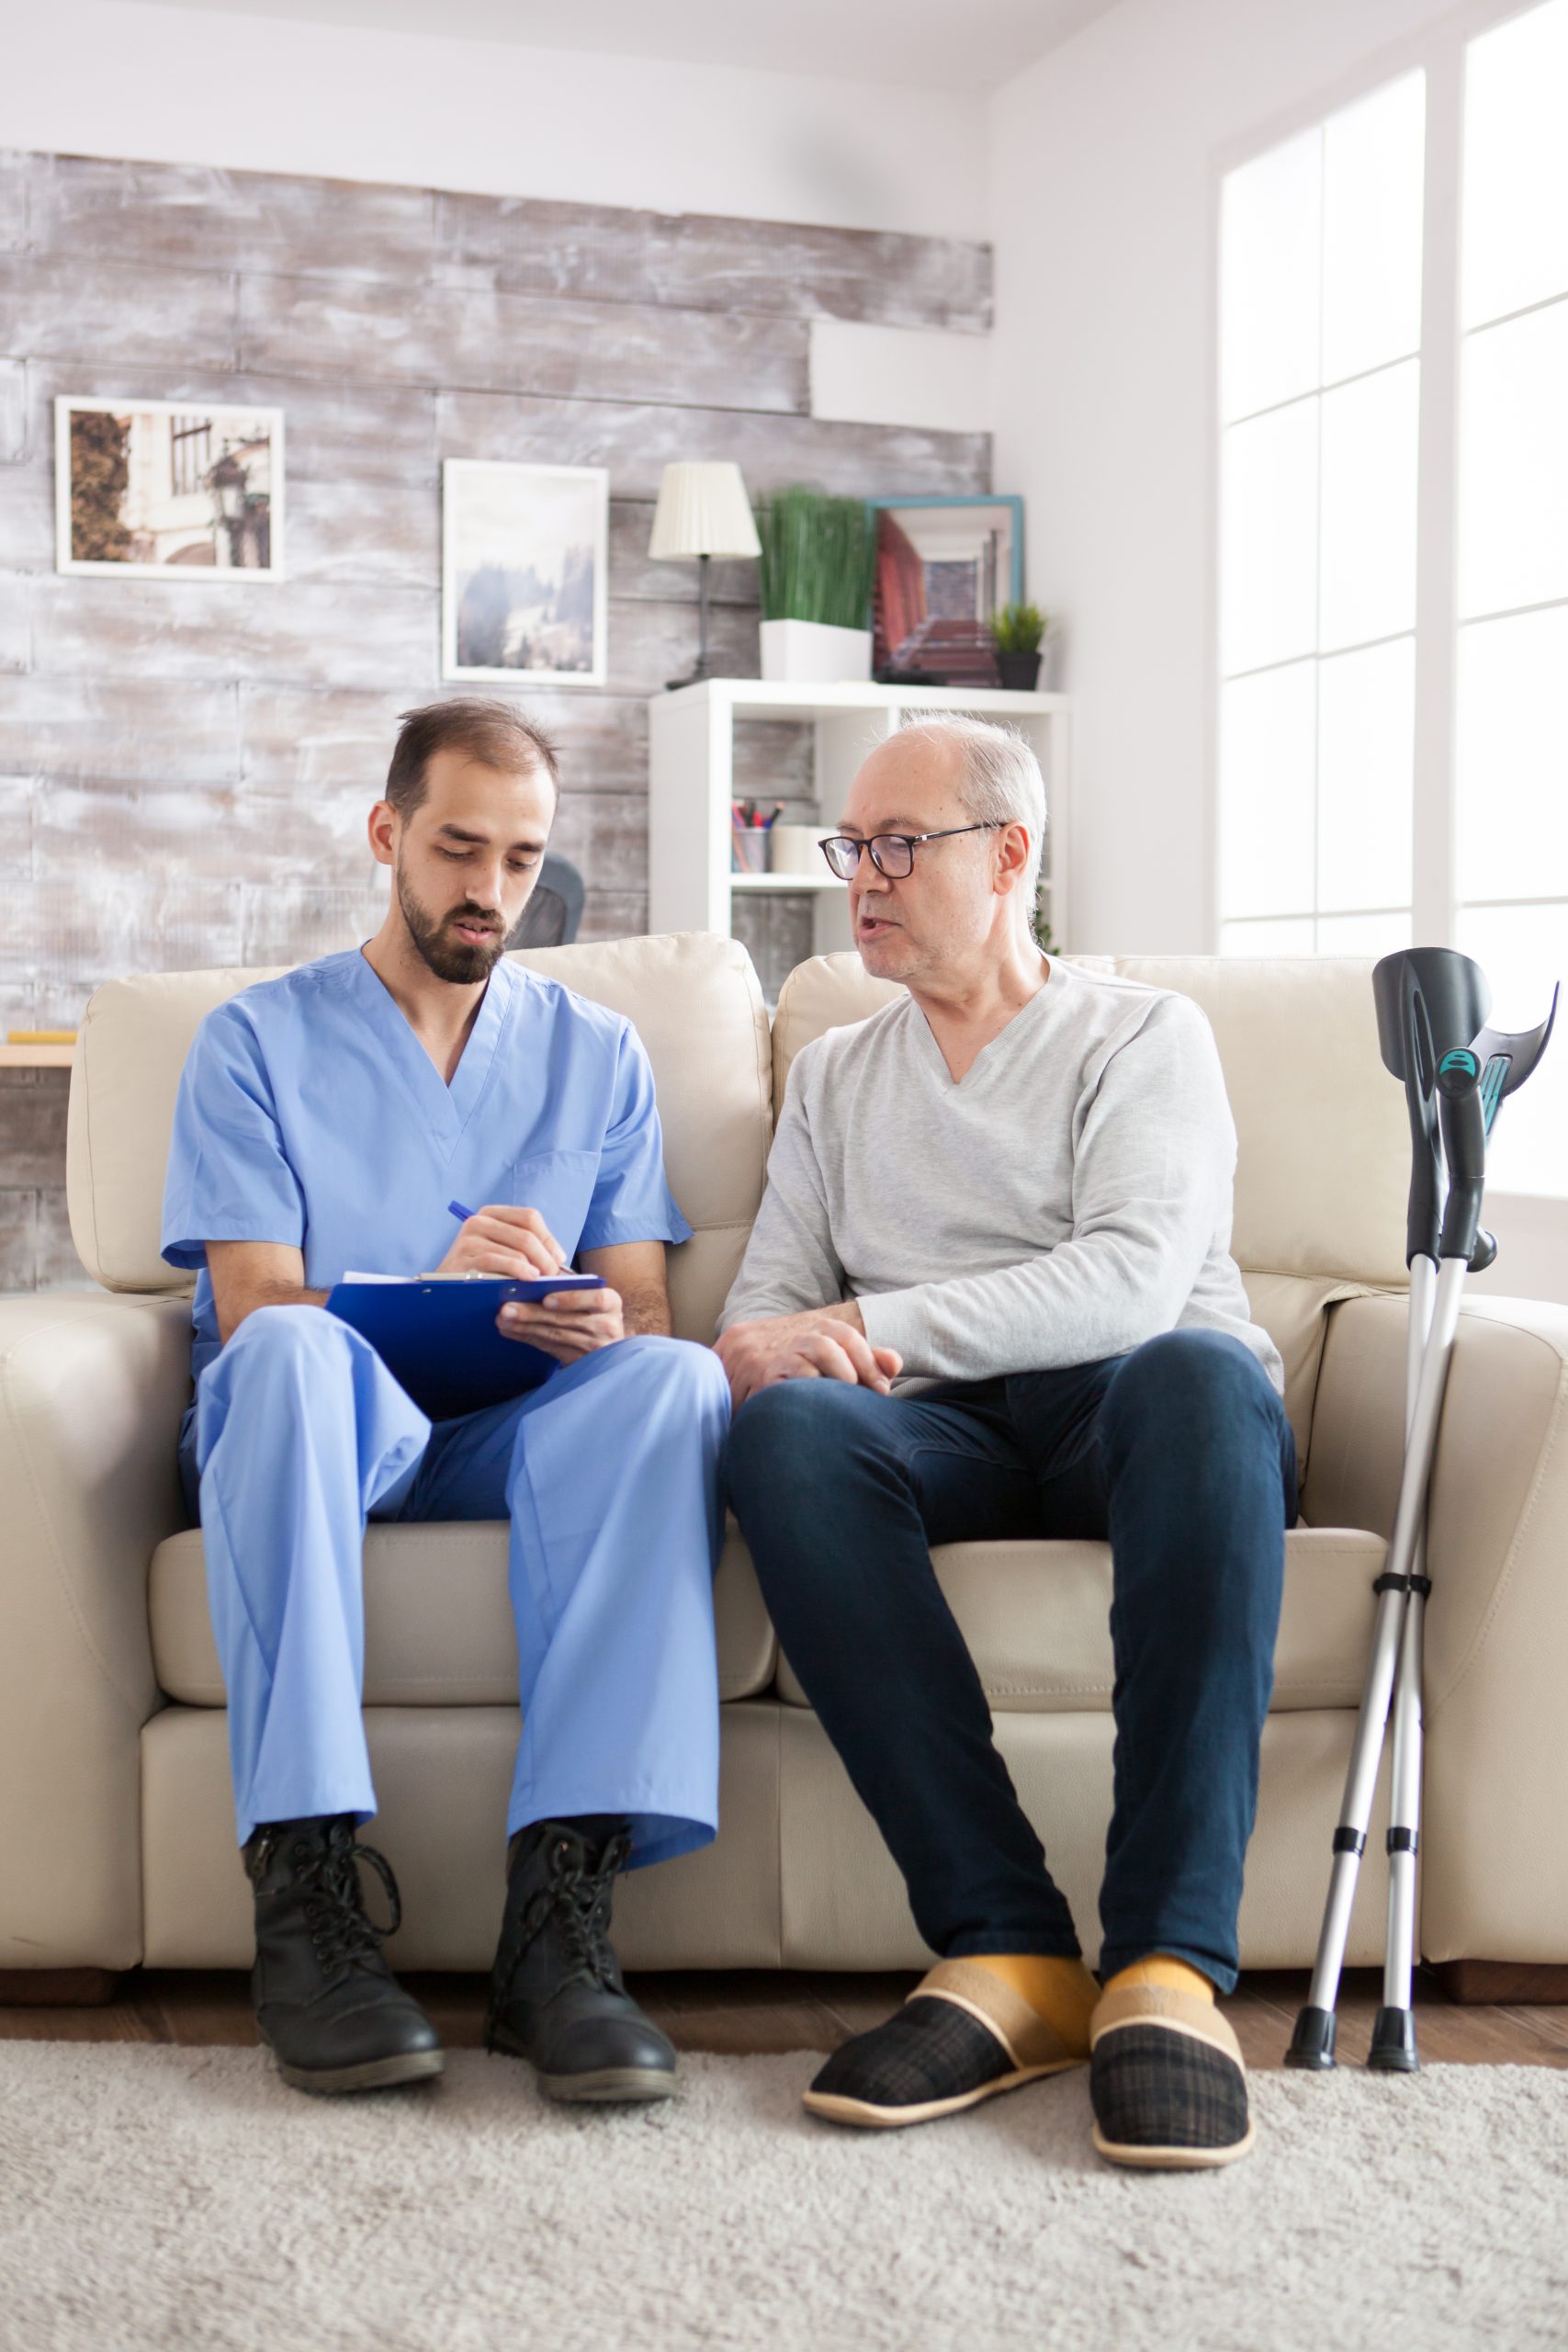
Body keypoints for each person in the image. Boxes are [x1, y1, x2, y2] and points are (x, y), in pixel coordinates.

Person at [717, 716, 1294, 2171]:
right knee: (787, 1435)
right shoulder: (840, 1079)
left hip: (1140, 1410)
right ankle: (1009, 1953)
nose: (863, 879)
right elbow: (762, 1325)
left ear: (1012, 856)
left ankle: (1166, 1967)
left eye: (899, 846)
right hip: (947, 1434)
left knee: (1202, 1376)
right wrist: (790, 1348)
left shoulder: (1142, 1034)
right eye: (855, 847)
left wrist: (870, 1321)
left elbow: (1127, 1284)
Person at [163, 698, 729, 2103]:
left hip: (504, 1436)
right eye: (458, 849)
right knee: (294, 1356)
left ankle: (560, 1930)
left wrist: (598, 1323)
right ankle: (307, 1899)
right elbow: (251, 1313)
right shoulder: (252, 1043)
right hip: (314, 1433)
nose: (488, 892)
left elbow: (642, 1304)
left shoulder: (597, 1053)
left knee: (673, 1380)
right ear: (388, 835)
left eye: (520, 860)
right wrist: (423, 1282)